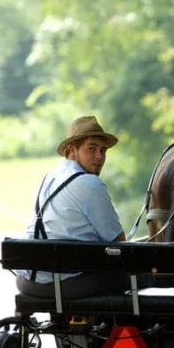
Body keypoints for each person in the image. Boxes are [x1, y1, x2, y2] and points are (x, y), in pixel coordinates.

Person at [14, 115, 128, 300]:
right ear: (72, 150)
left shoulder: (49, 177)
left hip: (27, 281)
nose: (99, 156)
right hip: (64, 284)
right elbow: (118, 243)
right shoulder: (91, 184)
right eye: (91, 149)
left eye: (103, 150)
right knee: (142, 276)